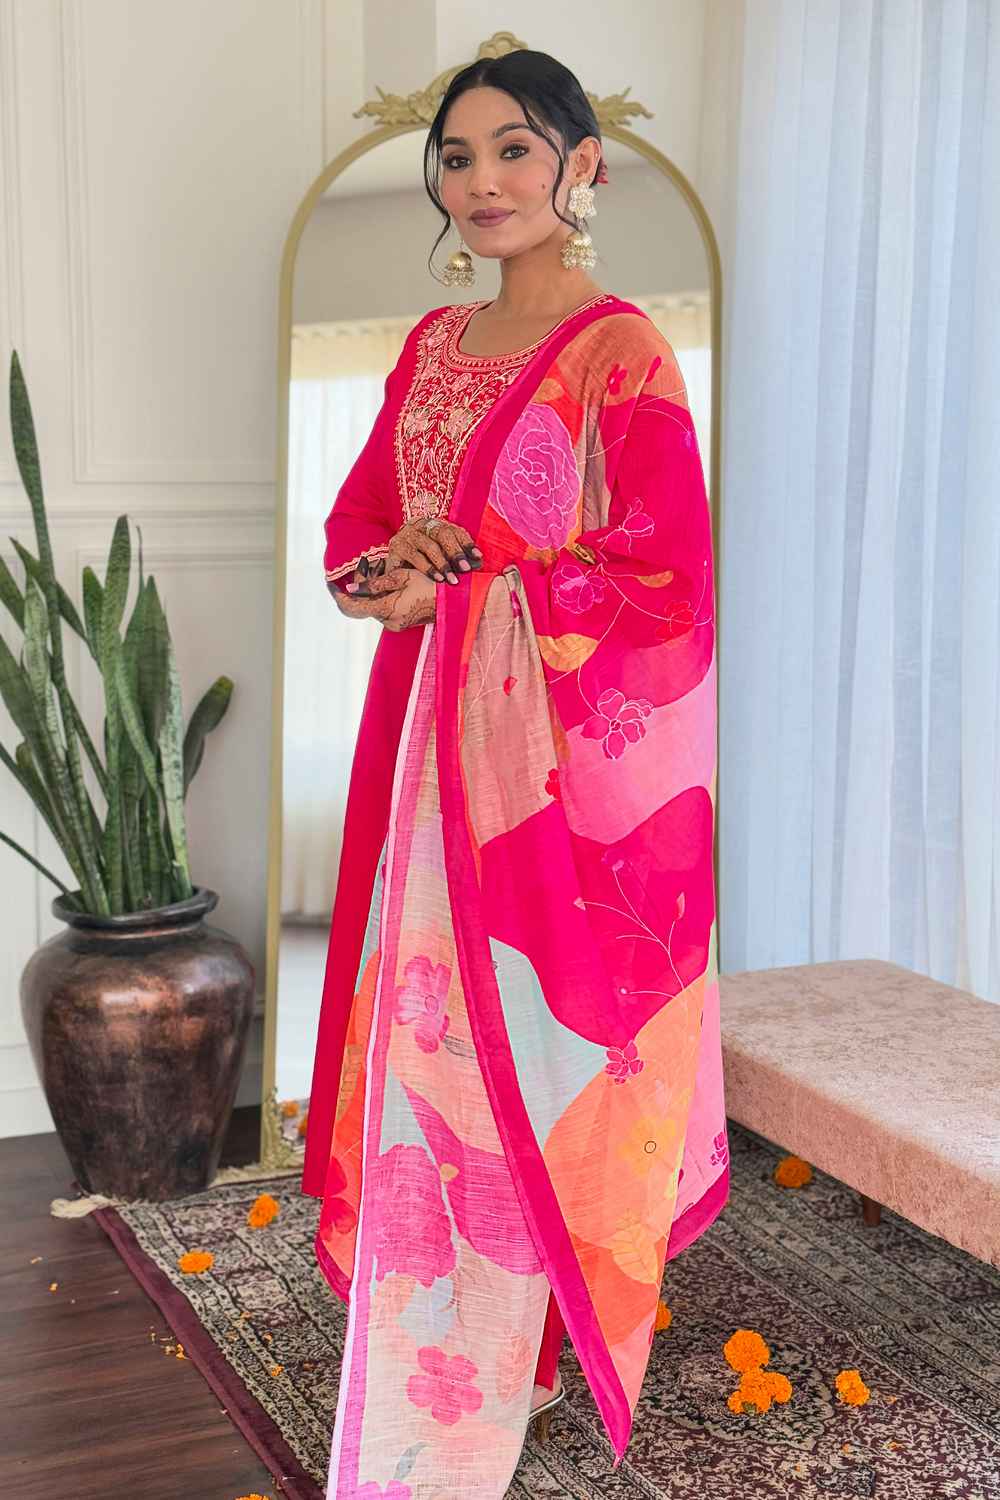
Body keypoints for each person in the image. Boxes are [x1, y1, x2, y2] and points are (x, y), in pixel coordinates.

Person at [301, 46, 729, 1500]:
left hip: (533, 773)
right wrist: (395, 568)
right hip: (418, 732)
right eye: (457, 156)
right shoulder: (432, 346)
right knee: (420, 1033)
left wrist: (477, 587)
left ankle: (519, 1336)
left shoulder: (622, 352)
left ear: (580, 166)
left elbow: (665, 575)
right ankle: (438, 1328)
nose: (481, 182)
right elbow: (359, 533)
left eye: (514, 151)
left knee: (528, 1042)